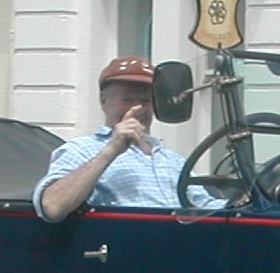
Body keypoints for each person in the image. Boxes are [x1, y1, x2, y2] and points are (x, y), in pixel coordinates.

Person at [34, 55, 225, 222]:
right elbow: (52, 207)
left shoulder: (172, 159)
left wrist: (245, 197)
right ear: (103, 101)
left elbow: (206, 207)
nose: (137, 108)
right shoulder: (81, 150)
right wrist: (111, 150)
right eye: (127, 99)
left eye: (146, 101)